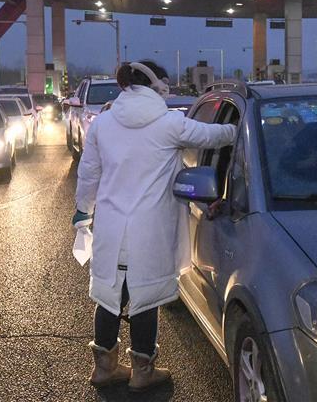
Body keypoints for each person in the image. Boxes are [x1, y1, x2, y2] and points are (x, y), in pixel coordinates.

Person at [73, 60, 236, 392]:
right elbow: (217, 135)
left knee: (109, 296)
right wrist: (246, 124)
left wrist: (82, 212)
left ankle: (104, 368)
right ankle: (143, 371)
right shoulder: (169, 124)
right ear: (158, 86)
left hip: (111, 226)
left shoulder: (103, 124)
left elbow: (88, 174)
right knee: (144, 298)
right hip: (150, 229)